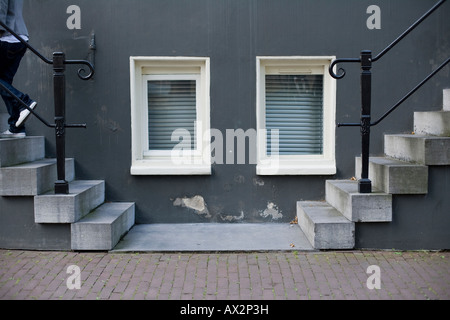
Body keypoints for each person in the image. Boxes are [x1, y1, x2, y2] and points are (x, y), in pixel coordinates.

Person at [0, 0, 37, 138]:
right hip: (20, 38)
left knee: (3, 83)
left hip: (6, 37)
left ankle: (24, 102)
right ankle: (16, 127)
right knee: (4, 82)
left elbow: (1, 6)